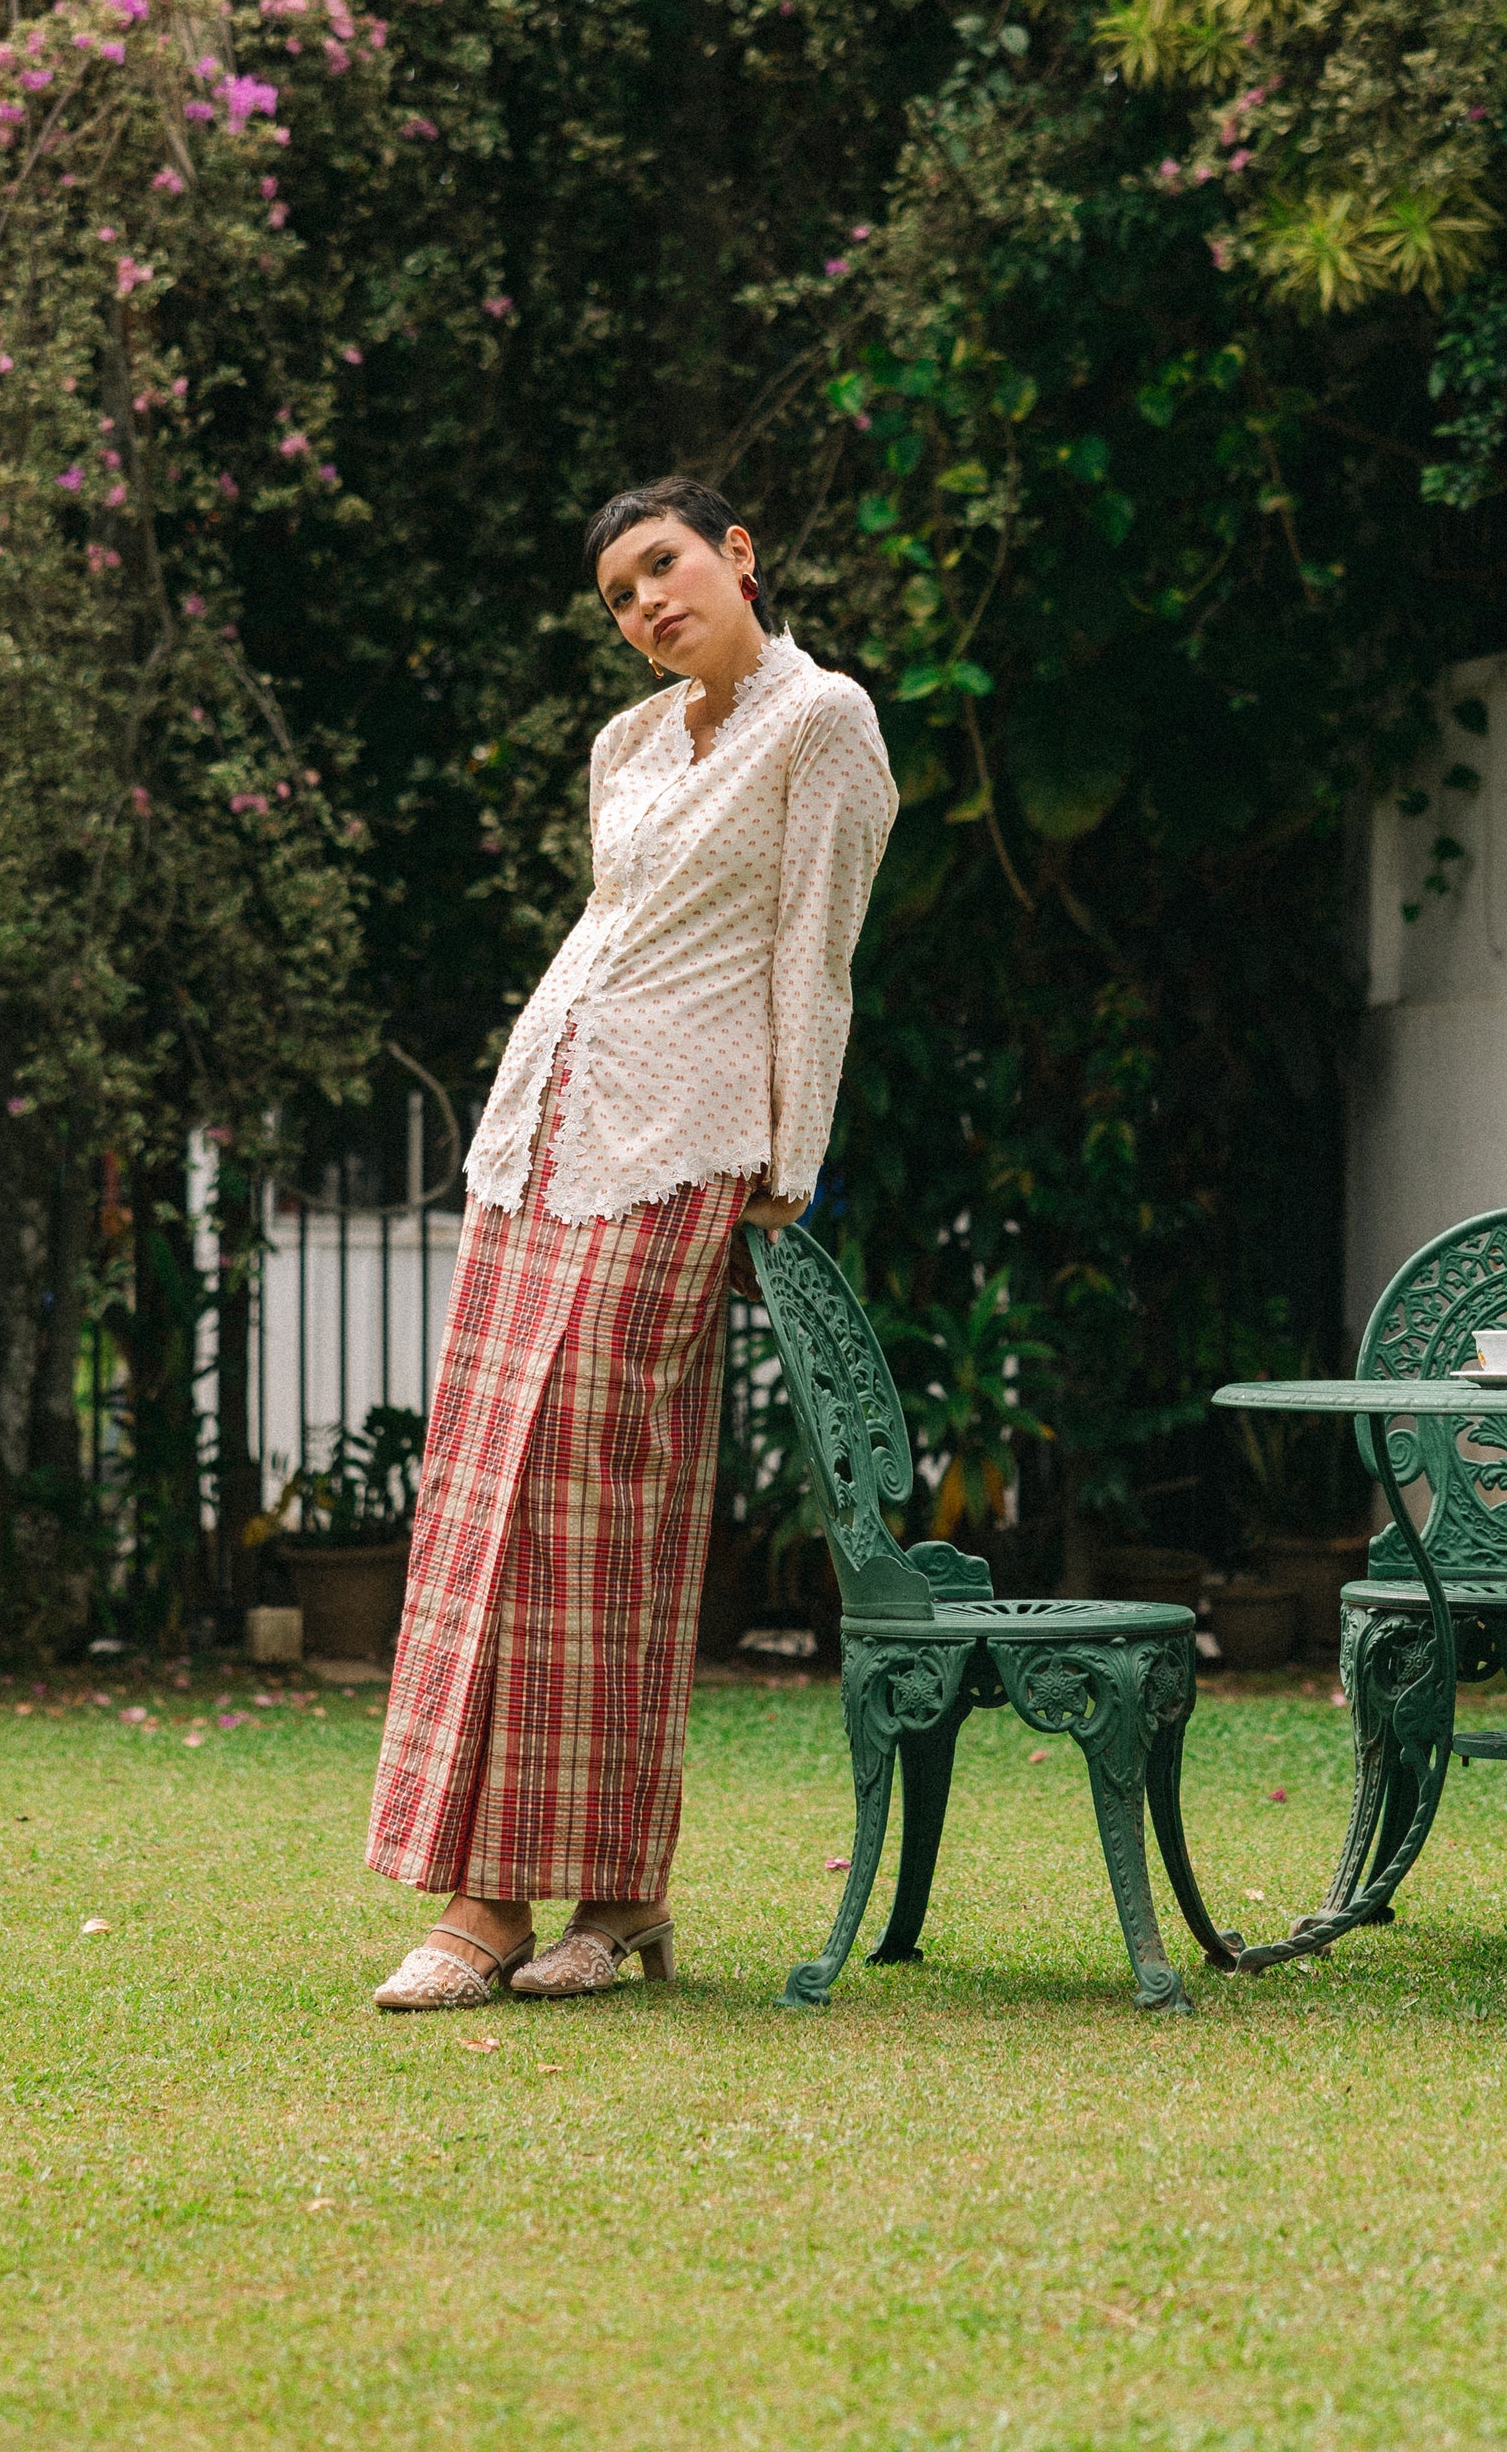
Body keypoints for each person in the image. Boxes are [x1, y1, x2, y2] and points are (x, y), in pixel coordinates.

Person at [366, 474, 898, 2009]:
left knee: (594, 1515)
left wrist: (787, 1161)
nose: (647, 604)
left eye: (662, 566)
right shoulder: (628, 743)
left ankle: (559, 1896)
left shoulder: (824, 722)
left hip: (678, 1148)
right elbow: (610, 936)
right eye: (617, 595)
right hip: (538, 1138)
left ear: (736, 555)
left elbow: (813, 950)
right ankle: (533, 1896)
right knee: (482, 1505)